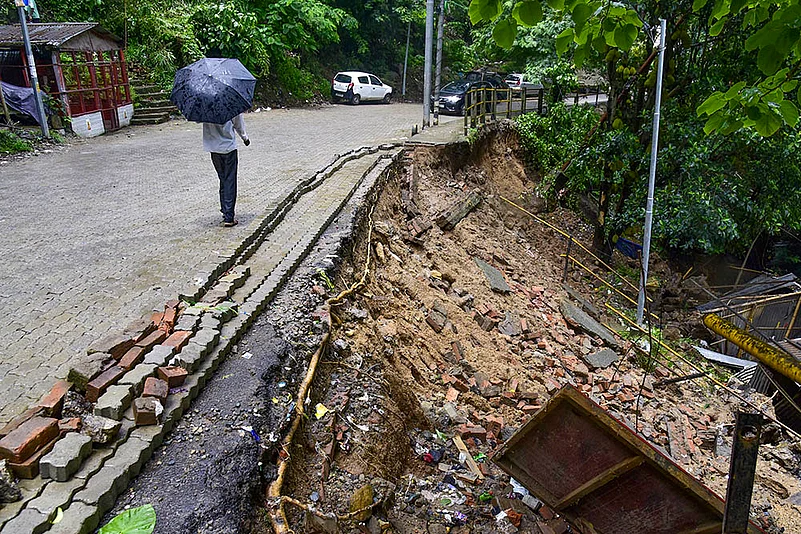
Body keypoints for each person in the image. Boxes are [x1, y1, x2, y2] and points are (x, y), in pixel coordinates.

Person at [203, 114, 249, 227]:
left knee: (223, 179)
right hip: (228, 147)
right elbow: (238, 124)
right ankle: (229, 216)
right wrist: (245, 138)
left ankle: (225, 211)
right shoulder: (230, 104)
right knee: (230, 181)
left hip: (214, 148)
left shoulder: (205, 107)